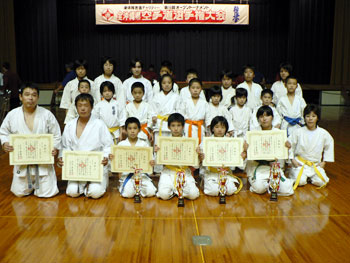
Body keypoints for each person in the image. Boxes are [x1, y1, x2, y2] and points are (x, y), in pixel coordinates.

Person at [0, 83, 61, 197]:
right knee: (19, 193)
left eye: (34, 95)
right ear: (20, 97)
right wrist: (5, 143)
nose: (30, 98)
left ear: (38, 97)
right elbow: (4, 132)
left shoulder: (47, 114)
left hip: (43, 164)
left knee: (47, 193)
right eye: (27, 94)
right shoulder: (12, 115)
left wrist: (55, 147)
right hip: (22, 163)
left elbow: (56, 134)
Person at [59, 93, 113, 199]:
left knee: (95, 193)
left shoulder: (99, 124)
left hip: (95, 166)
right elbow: (65, 146)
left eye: (86, 105)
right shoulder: (70, 125)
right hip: (76, 167)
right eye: (80, 105)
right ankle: (83, 186)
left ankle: (91, 185)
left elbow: (108, 145)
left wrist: (106, 158)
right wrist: (62, 158)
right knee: (72, 192)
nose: (83, 108)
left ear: (92, 107)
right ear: (76, 107)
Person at [245, 106, 294, 196]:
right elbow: (246, 153)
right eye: (261, 116)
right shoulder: (253, 134)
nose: (264, 119)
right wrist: (245, 148)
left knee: (287, 189)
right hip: (258, 167)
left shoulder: (278, 133)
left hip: (273, 166)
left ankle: (271, 185)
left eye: (267, 116)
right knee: (259, 188)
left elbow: (285, 153)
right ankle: (264, 185)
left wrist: (287, 147)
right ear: (258, 119)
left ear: (272, 117)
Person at [288, 104, 334, 189]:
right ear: (304, 118)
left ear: (317, 118)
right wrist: (292, 159)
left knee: (323, 181)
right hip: (300, 163)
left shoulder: (323, 133)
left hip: (315, 165)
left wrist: (324, 162)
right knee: (300, 182)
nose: (310, 119)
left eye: (313, 116)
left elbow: (329, 145)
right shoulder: (298, 132)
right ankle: (295, 173)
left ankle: (310, 177)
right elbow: (289, 144)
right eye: (308, 116)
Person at [156, 113, 200, 200]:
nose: (176, 128)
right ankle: (176, 190)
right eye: (173, 126)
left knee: (193, 195)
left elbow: (195, 166)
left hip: (184, 172)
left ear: (183, 126)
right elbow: (157, 163)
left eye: (179, 125)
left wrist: (197, 155)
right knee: (163, 194)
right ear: (168, 127)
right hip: (168, 172)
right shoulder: (163, 142)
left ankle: (177, 190)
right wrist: (157, 152)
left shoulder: (190, 142)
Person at [111, 117, 157, 198]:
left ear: (139, 130)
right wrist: (113, 158)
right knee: (128, 194)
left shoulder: (144, 144)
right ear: (125, 130)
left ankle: (138, 189)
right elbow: (117, 163)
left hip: (142, 175)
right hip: (127, 175)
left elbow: (151, 160)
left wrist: (152, 162)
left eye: (135, 128)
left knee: (151, 192)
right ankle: (128, 187)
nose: (132, 131)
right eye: (130, 128)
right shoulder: (121, 145)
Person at [199, 116, 243, 196]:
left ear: (226, 129)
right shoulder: (206, 141)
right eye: (217, 127)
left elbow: (235, 156)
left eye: (222, 127)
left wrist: (241, 155)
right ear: (212, 129)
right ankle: (205, 182)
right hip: (211, 172)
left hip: (225, 172)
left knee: (230, 190)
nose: (219, 130)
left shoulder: (230, 142)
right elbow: (201, 157)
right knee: (213, 191)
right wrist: (201, 157)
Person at [150, 74, 180, 144]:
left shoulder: (176, 97)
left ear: (172, 84)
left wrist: (174, 118)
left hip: (172, 124)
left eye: (169, 83)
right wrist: (153, 117)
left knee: (171, 146)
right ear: (160, 84)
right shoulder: (156, 96)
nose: (167, 85)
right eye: (164, 83)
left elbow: (179, 111)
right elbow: (152, 110)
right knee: (158, 147)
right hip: (159, 123)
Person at [178, 78, 209, 144]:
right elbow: (181, 115)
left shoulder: (204, 103)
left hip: (200, 127)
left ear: (201, 89)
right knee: (188, 147)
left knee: (200, 147)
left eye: (198, 88)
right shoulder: (185, 102)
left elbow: (208, 118)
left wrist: (208, 131)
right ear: (189, 89)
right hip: (188, 127)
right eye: (193, 88)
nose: (195, 90)